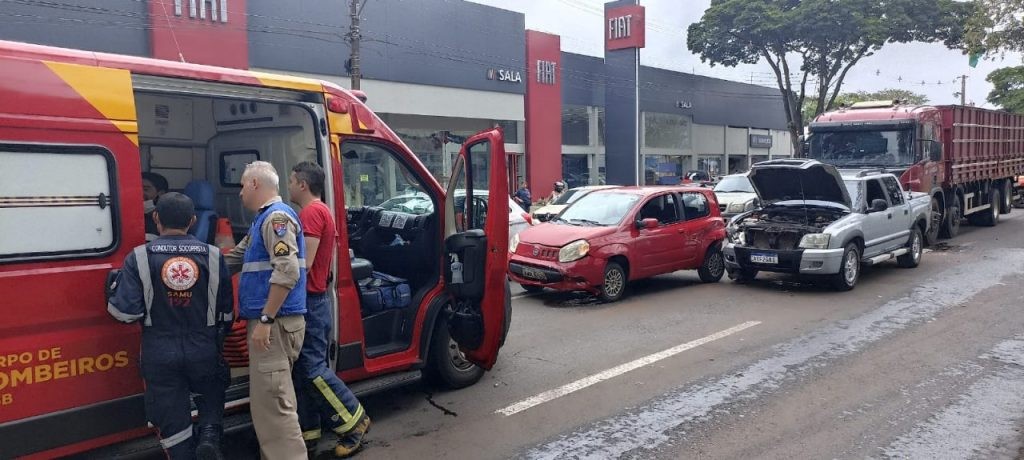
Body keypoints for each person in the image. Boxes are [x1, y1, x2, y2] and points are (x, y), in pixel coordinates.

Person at [107, 192, 233, 460]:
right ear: (193, 220)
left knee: (172, 418)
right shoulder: (213, 255)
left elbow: (124, 312)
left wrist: (114, 290)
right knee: (212, 386)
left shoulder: (139, 257)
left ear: (155, 218)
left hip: (159, 350)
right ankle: (210, 434)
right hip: (203, 345)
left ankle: (183, 453)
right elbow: (226, 312)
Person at [223, 161, 308, 460]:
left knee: (274, 408)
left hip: (275, 323)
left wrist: (265, 319)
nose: (240, 193)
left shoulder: (277, 219)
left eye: (243, 186)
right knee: (271, 405)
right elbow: (233, 259)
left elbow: (286, 273)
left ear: (256, 184)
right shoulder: (263, 221)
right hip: (275, 323)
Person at [287, 162, 371, 458]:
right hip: (314, 300)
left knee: (312, 369)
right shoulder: (319, 211)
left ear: (302, 184)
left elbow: (303, 263)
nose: (288, 184)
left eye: (291, 180)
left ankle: (354, 421)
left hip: (311, 301)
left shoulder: (311, 213)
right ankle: (309, 435)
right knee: (303, 372)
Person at [142, 172, 169, 239]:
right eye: (137, 188)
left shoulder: (167, 217)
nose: (140, 192)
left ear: (161, 193)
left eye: (145, 189)